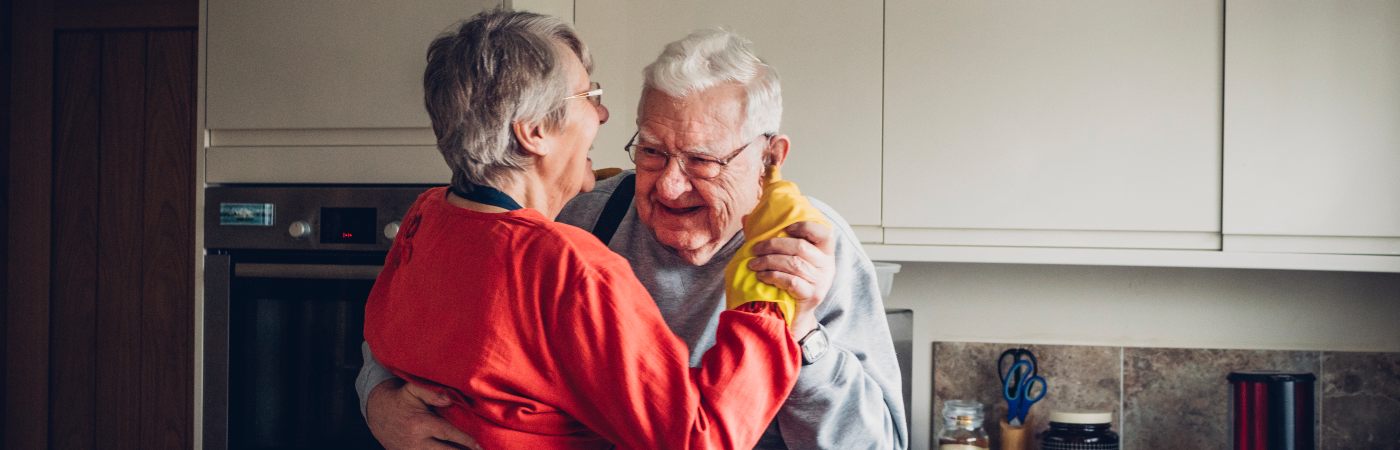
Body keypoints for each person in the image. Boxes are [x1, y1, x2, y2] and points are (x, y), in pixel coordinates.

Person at [359, 27, 909, 450]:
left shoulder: (813, 253)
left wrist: (803, 332)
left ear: (770, 158)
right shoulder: (573, 217)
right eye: (650, 151)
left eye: (701, 160)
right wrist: (379, 402)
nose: (669, 183)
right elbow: (422, 329)